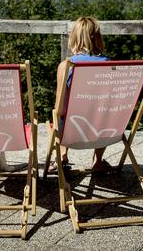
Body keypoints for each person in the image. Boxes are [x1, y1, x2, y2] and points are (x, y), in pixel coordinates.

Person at [51, 16, 113, 174]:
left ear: (74, 38)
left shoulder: (66, 66)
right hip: (103, 129)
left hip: (73, 129)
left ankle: (62, 156)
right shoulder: (110, 65)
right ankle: (98, 161)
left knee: (58, 115)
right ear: (98, 38)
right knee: (104, 113)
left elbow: (61, 109)